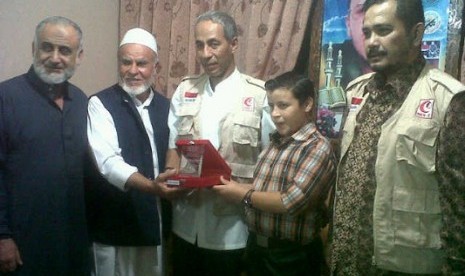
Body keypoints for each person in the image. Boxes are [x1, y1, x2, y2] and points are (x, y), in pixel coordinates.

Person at [331, 0, 465, 274]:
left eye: (383, 30)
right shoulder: (357, 93)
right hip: (346, 260)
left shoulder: (448, 100)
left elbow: (459, 206)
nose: (372, 41)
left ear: (416, 34)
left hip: (402, 267)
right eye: (367, 32)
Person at [165, 10, 275, 276]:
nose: (205, 53)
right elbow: (173, 147)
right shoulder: (185, 90)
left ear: (233, 44)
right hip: (186, 222)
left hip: (232, 227)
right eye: (199, 45)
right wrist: (171, 178)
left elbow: (269, 163)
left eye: (214, 43)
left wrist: (245, 192)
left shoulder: (258, 95)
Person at [212, 71, 336, 275]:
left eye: (283, 105)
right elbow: (264, 189)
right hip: (257, 250)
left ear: (306, 105)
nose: (275, 114)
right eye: (271, 106)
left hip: (292, 257)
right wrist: (230, 186)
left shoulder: (316, 147)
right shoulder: (275, 143)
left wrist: (242, 194)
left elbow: (291, 201)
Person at [86, 28, 185, 276]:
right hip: (114, 219)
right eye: (125, 62)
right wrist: (153, 188)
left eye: (141, 63)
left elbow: (176, 149)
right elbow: (108, 162)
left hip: (154, 219)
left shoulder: (168, 107)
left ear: (156, 67)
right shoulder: (100, 103)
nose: (133, 70)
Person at [0, 16, 90, 275]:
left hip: (73, 242)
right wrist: (2, 235)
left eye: (65, 50)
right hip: (22, 243)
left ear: (78, 56)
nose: (54, 57)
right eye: (47, 47)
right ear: (33, 49)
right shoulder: (6, 97)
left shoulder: (81, 102)